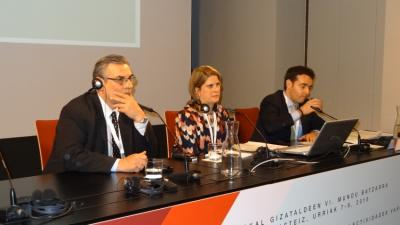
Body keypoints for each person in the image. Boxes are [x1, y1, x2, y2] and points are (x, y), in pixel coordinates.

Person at [45, 54, 158, 173]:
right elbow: (70, 155)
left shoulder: (132, 109)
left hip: (122, 183)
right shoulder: (76, 110)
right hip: (78, 184)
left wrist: (140, 119)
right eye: (120, 79)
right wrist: (119, 164)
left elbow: (152, 156)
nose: (129, 85)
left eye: (130, 78)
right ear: (99, 84)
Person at [255, 65, 325, 145]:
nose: (307, 92)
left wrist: (315, 133)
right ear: (289, 84)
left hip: (297, 153)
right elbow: (272, 127)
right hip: (270, 152)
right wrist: (300, 111)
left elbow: (322, 125)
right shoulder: (271, 101)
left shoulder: (304, 103)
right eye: (303, 87)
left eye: (310, 88)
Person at [175, 65, 230, 156]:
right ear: (197, 91)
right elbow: (191, 154)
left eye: (218, 85)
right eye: (210, 86)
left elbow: (229, 146)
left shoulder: (222, 113)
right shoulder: (186, 117)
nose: (216, 90)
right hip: (198, 168)